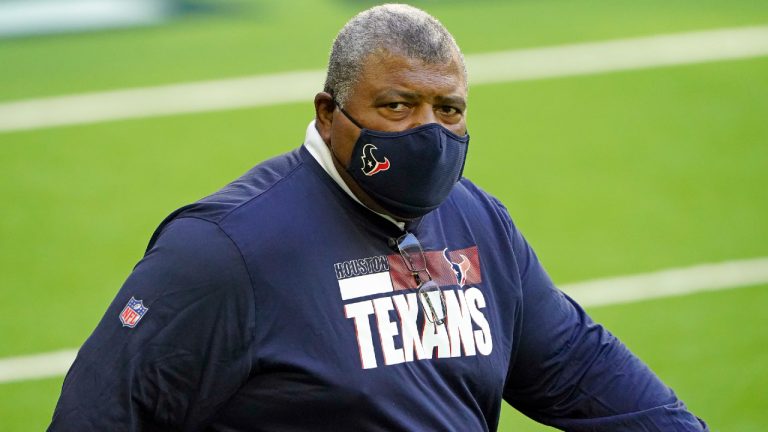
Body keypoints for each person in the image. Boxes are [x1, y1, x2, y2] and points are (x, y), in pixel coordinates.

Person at [49, 4, 708, 431]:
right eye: (397, 106)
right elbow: (99, 416)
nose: (428, 132)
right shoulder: (224, 253)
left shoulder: (478, 223)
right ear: (328, 113)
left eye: (447, 110)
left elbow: (574, 366)